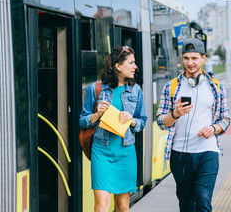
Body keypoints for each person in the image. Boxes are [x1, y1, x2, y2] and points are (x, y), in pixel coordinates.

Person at [156, 38, 230, 212]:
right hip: (180, 155)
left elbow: (225, 120)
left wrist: (213, 129)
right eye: (186, 58)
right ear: (182, 59)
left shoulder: (216, 87)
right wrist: (175, 114)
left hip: (207, 152)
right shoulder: (171, 87)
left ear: (203, 58)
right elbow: (161, 121)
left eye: (195, 58)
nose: (190, 63)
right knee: (187, 204)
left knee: (203, 201)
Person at [79, 46, 147, 212]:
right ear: (118, 66)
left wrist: (131, 121)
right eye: (131, 63)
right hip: (101, 152)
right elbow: (82, 121)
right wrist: (96, 115)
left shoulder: (136, 90)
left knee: (123, 206)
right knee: (102, 206)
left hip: (126, 152)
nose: (135, 66)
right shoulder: (95, 89)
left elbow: (142, 121)